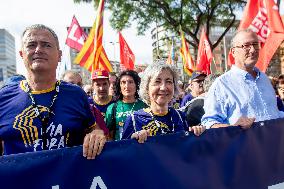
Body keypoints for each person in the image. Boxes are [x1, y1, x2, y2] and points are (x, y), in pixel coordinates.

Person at [0, 24, 105, 159]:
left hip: (67, 179)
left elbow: (92, 129)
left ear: (59, 55)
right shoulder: (3, 97)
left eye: (46, 45)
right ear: (22, 54)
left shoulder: (76, 94)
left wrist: (97, 134)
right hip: (20, 180)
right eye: (31, 45)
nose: (38, 49)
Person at [201, 29, 284, 129]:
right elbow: (209, 123)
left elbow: (273, 114)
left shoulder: (264, 79)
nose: (253, 50)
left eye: (255, 44)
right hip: (246, 144)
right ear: (233, 52)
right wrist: (234, 127)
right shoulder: (221, 85)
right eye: (246, 46)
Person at [122, 62, 205, 143]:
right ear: (147, 87)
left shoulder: (181, 117)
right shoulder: (134, 120)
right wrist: (133, 140)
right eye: (157, 81)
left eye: (168, 81)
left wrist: (197, 133)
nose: (163, 87)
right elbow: (123, 152)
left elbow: (188, 148)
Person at [106, 70, 147, 140]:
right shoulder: (112, 108)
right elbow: (108, 134)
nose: (127, 86)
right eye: (123, 82)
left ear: (136, 85)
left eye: (130, 82)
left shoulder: (144, 106)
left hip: (140, 148)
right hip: (120, 148)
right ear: (119, 86)